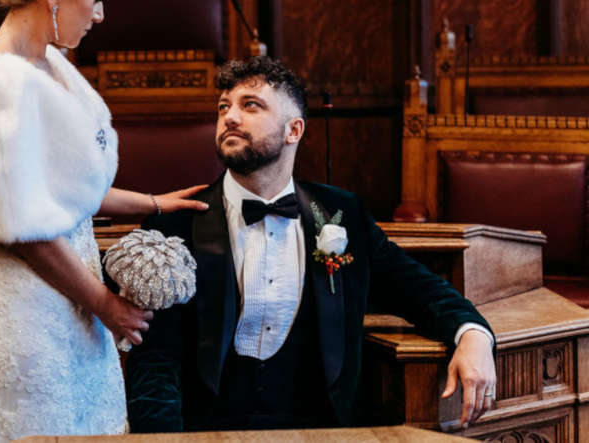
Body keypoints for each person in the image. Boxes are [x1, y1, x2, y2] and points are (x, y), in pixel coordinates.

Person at [0, 0, 209, 442]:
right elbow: (26, 229)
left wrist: (152, 203)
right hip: (28, 309)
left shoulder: (52, 65)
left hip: (74, 295)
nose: (100, 14)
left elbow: (65, 193)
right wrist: (103, 303)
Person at [125, 56, 497, 432]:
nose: (230, 117)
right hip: (207, 435)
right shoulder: (175, 224)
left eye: (250, 105)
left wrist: (472, 336)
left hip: (324, 431)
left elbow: (420, 290)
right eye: (224, 106)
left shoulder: (342, 215)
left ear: (294, 130)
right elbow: (155, 365)